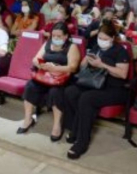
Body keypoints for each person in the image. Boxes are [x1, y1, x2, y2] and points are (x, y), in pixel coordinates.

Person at [55, 23, 130, 159]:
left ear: (112, 38)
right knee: (70, 91)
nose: (101, 41)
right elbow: (82, 66)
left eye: (105, 38)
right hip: (94, 84)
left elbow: (123, 74)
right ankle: (75, 128)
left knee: (86, 98)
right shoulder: (96, 48)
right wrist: (87, 60)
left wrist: (102, 65)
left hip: (114, 88)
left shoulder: (120, 51)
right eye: (99, 38)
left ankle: (82, 141)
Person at [18, 22, 81, 139]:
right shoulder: (47, 43)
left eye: (59, 36)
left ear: (66, 36)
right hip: (45, 76)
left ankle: (57, 125)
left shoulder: (71, 47)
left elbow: (73, 67)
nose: (56, 38)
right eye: (54, 36)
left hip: (61, 79)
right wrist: (42, 65)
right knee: (30, 86)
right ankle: (28, 119)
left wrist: (55, 68)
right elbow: (35, 59)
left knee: (55, 92)